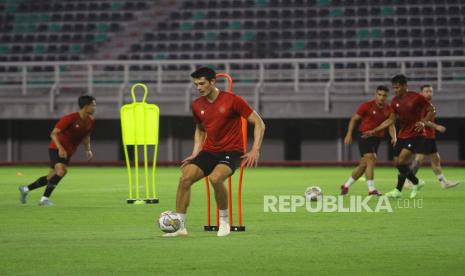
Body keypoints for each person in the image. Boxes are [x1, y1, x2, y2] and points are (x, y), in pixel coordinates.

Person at [164, 67, 265, 238]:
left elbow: (259, 123)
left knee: (216, 178)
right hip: (209, 151)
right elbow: (200, 129)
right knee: (184, 178)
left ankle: (224, 222)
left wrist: (255, 149)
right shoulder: (197, 105)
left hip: (232, 151)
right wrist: (196, 152)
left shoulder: (233, 100)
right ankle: (180, 227)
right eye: (196, 84)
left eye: (202, 83)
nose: (199, 87)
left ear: (213, 82)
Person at [363, 74, 434, 198]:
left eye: (398, 87)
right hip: (402, 134)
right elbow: (390, 120)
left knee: (401, 161)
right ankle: (404, 188)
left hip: (416, 134)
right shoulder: (395, 101)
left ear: (405, 86)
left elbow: (431, 109)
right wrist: (374, 130)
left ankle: (411, 185)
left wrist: (423, 122)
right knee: (397, 163)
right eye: (394, 88)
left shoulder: (416, 97)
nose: (395, 90)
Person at [18, 95, 96, 206]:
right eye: (93, 105)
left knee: (51, 176)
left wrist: (88, 150)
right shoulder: (69, 118)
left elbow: (86, 136)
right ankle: (44, 199)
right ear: (86, 106)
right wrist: (60, 148)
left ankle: (26, 189)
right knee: (62, 171)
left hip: (68, 151)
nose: (95, 108)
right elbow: (54, 133)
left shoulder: (91, 121)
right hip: (56, 148)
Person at [341, 86, 396, 196]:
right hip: (364, 136)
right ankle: (371, 190)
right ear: (375, 95)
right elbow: (354, 119)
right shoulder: (367, 106)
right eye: (379, 94)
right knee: (371, 159)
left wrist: (394, 137)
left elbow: (390, 124)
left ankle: (346, 186)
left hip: (377, 138)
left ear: (387, 96)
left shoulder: (389, 109)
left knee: (363, 165)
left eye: (384, 95)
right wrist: (349, 134)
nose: (381, 97)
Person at [405, 85, 459, 189]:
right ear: (421, 93)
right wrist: (437, 126)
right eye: (427, 91)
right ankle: (408, 180)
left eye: (430, 91)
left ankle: (443, 182)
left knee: (435, 158)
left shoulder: (428, 104)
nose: (429, 93)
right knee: (419, 158)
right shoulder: (421, 104)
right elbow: (423, 121)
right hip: (422, 135)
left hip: (429, 136)